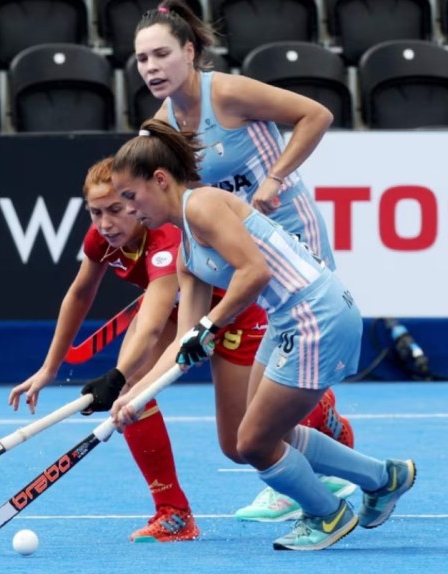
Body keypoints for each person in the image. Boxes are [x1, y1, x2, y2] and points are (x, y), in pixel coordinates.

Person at [109, 120, 416, 551]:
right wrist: (136, 394)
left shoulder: (203, 206)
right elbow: (184, 341)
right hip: (289, 319)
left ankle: (327, 514)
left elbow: (255, 272)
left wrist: (211, 325)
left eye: (130, 196)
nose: (128, 210)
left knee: (253, 443)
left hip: (315, 315)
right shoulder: (186, 249)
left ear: (160, 180)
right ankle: (384, 478)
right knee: (267, 435)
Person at [133, 0, 354, 521]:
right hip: (241, 251)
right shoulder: (159, 130)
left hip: (295, 239)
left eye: (162, 54)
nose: (152, 67)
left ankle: (303, 472)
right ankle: (305, 452)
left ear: (190, 52)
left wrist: (275, 177)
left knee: (284, 365)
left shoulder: (227, 94)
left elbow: (316, 115)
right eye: (142, 59)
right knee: (261, 387)